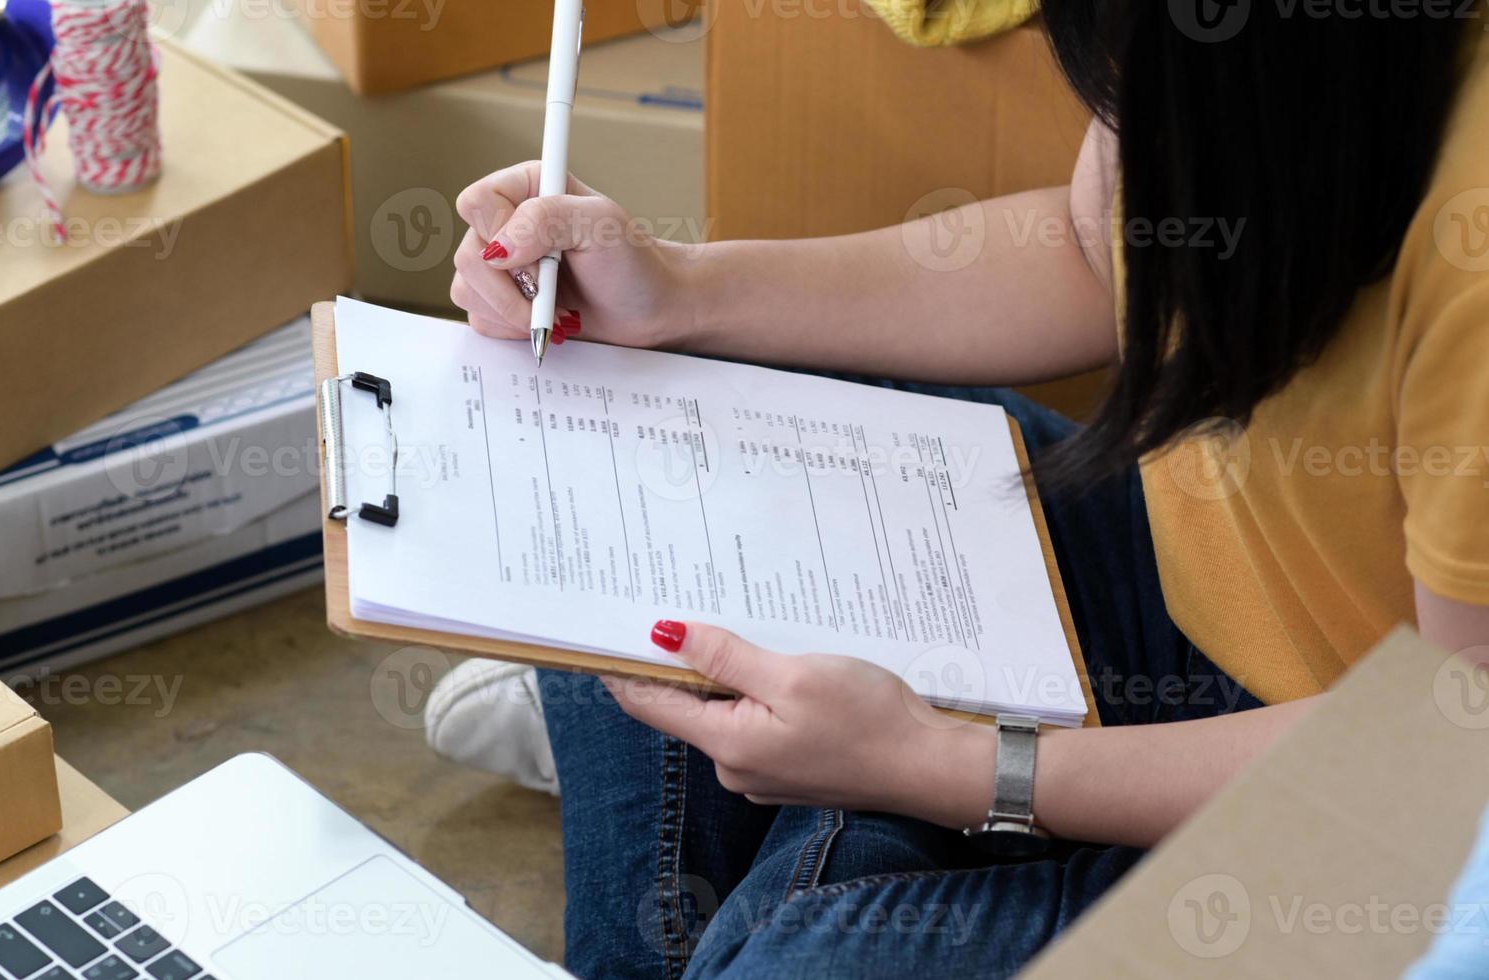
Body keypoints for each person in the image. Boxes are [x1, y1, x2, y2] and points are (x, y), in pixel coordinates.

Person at [427, 5, 1489, 976]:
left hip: (1387, 823)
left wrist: (948, 764)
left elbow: (1449, 755)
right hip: (1183, 591)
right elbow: (1090, 250)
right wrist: (678, 293)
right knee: (665, 442)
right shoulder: (1238, 62)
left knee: (808, 948)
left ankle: (806, 827)